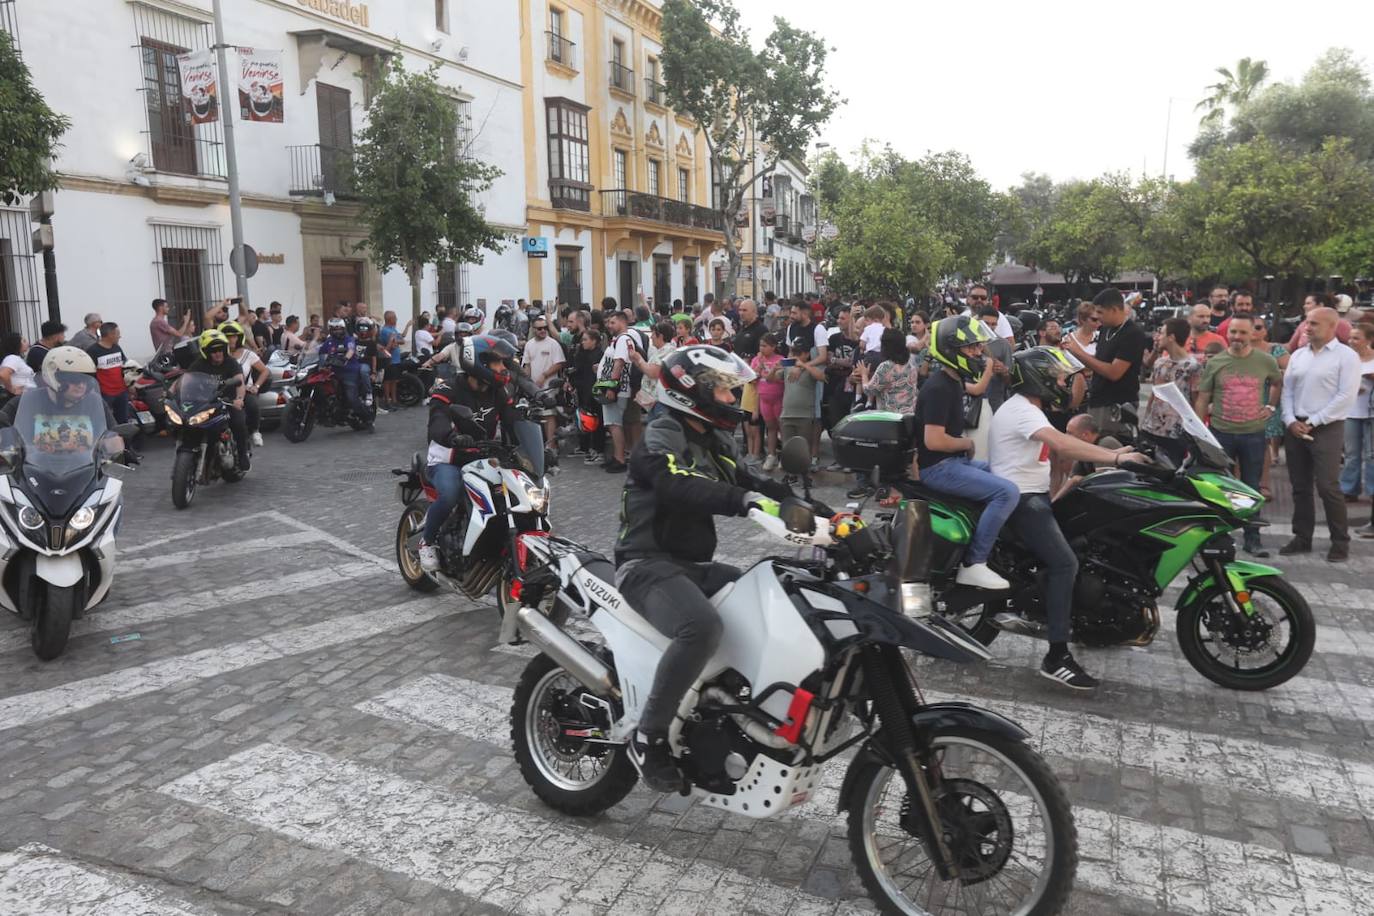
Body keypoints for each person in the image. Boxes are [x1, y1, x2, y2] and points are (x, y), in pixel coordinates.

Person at [614, 344, 794, 792]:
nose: (734, 400)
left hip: (693, 565)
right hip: (646, 564)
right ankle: (649, 736)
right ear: (694, 393)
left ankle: (733, 711)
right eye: (726, 392)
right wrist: (742, 501)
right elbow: (675, 482)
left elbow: (751, 482)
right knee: (701, 627)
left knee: (769, 594)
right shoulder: (661, 433)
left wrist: (819, 513)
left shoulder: (712, 438)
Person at [989, 346, 1148, 690]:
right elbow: (1062, 445)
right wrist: (1116, 459)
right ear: (1040, 379)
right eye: (1060, 378)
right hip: (1021, 500)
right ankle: (1056, 656)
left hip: (1032, 494)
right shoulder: (1023, 411)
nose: (1066, 383)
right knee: (1065, 564)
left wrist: (1116, 452)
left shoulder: (1030, 409)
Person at [915, 316, 1016, 590]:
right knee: (1006, 492)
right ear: (951, 350)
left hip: (952, 462)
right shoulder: (937, 388)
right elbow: (934, 440)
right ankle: (975, 563)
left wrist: (987, 371)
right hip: (938, 467)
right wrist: (966, 444)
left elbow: (978, 389)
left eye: (978, 347)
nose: (978, 353)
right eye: (971, 348)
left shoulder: (953, 381)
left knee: (1006, 474)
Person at [416, 338, 520, 571]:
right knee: (451, 493)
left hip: (482, 459)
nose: (503, 368)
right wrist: (452, 437)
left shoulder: (498, 391)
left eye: (504, 363)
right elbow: (438, 422)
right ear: (479, 363)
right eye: (497, 363)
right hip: (448, 459)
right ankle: (427, 541)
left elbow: (513, 423)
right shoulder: (448, 389)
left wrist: (539, 446)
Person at [1194, 316, 1282, 556]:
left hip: (1253, 434)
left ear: (1252, 334)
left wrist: (1271, 407)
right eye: (1233, 332)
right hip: (1221, 433)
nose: (1237, 337)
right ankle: (1218, 538)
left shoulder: (1265, 361)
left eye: (1242, 333)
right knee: (1219, 487)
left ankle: (1252, 538)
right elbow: (1203, 397)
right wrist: (1199, 431)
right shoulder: (1216, 362)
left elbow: (1277, 382)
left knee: (1251, 487)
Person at [1280, 307, 1362, 561]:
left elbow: (1345, 396)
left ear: (1331, 327)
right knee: (1300, 486)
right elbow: (1287, 390)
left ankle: (1340, 542)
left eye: (1314, 323)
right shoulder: (1298, 355)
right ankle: (1302, 537)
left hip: (1326, 426)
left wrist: (1313, 421)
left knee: (1328, 487)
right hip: (1296, 425)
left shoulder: (1346, 356)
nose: (1307, 326)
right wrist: (1290, 419)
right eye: (1307, 322)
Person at [1063, 287, 1149, 440]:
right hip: (1097, 400)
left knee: (1109, 445)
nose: (1097, 317)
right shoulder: (1105, 330)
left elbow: (1114, 372)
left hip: (1116, 404)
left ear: (1115, 310)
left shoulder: (1132, 333)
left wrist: (1079, 352)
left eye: (1100, 312)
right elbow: (1099, 361)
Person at [1139, 318, 1201, 467]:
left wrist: (1195, 430)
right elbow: (1154, 394)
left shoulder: (1192, 367)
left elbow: (1196, 400)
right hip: (1152, 428)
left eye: (1162, 333)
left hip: (1176, 431)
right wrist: (1145, 419)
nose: (1158, 337)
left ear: (1171, 337)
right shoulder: (1160, 363)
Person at [187, 330, 249, 471]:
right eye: (213, 350)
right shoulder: (199, 364)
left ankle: (242, 453)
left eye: (220, 349)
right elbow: (185, 380)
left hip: (229, 402)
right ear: (206, 352)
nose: (218, 353)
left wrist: (239, 399)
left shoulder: (231, 363)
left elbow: (240, 381)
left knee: (238, 422)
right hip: (207, 402)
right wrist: (171, 393)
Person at [87, 322, 142, 452]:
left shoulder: (117, 348)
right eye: (117, 333)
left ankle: (127, 451)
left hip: (121, 392)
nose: (120, 336)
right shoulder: (93, 351)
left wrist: (131, 384)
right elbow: (90, 374)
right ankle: (105, 452)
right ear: (110, 335)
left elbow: (125, 366)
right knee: (103, 423)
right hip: (105, 394)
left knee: (123, 423)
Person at [595, 309, 638, 473]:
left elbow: (619, 363)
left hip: (616, 389)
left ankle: (619, 459)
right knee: (613, 423)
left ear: (622, 322)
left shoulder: (623, 339)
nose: (609, 325)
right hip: (615, 387)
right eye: (608, 322)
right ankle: (616, 456)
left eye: (613, 322)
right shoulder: (620, 340)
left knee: (614, 424)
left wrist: (611, 386)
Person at [1339, 323, 1374, 505]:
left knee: (1371, 453)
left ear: (1369, 340)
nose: (1351, 341)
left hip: (1371, 412)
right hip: (1351, 411)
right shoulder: (1346, 359)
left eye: (1357, 338)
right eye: (1350, 337)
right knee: (1352, 453)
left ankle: (1371, 490)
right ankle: (1349, 489)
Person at [317, 317, 373, 432]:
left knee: (351, 398)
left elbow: (351, 350)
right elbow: (320, 351)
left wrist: (345, 358)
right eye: (333, 329)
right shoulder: (329, 341)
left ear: (343, 328)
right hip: (333, 372)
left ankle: (368, 419)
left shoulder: (349, 339)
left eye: (339, 328)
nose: (336, 331)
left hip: (349, 371)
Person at [221, 321, 270, 448]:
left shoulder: (248, 354)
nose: (231, 339)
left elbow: (265, 371)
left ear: (239, 337)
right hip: (223, 391)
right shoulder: (218, 355)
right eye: (227, 336)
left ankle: (255, 431)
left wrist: (256, 386)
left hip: (245, 390)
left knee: (252, 405)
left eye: (233, 336)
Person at [779, 340, 824, 469]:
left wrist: (804, 366)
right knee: (787, 448)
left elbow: (822, 377)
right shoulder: (788, 368)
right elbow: (772, 379)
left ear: (805, 354)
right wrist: (775, 368)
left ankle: (804, 474)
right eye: (793, 352)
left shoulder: (810, 369)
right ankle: (790, 475)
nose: (795, 356)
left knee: (804, 448)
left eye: (798, 353)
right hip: (787, 414)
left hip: (804, 415)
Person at [522, 315, 566, 445]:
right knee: (534, 415)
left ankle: (551, 446)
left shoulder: (553, 343)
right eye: (539, 328)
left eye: (545, 328)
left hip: (549, 386)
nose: (543, 330)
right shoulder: (529, 344)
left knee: (549, 415)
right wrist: (526, 382)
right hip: (534, 388)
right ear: (533, 329)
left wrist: (544, 375)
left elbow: (559, 363)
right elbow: (527, 365)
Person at [750, 333, 785, 469]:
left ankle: (784, 455)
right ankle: (772, 455)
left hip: (778, 398)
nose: (762, 348)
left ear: (773, 347)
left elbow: (780, 379)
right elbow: (752, 379)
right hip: (764, 399)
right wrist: (759, 367)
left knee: (782, 428)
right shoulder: (756, 360)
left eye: (765, 346)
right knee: (771, 428)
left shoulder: (780, 360)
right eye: (760, 345)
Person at [572, 329, 606, 464]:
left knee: (597, 422)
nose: (583, 342)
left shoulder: (599, 355)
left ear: (594, 341)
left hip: (594, 392)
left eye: (586, 339)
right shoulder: (582, 354)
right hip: (583, 391)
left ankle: (598, 449)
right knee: (585, 420)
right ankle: (586, 447)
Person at [1287, 293, 1353, 352]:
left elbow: (1355, 344)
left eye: (1308, 303)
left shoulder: (1339, 323)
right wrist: (1277, 347)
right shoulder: (1303, 325)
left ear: (1320, 305)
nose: (1304, 306)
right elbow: (1291, 346)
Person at [353, 317, 381, 412]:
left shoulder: (371, 343)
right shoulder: (353, 341)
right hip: (354, 364)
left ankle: (369, 393)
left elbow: (374, 358)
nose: (363, 332)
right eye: (361, 329)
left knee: (363, 369)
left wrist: (373, 372)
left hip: (365, 365)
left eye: (365, 329)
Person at [0, 333, 35, 397]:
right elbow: (3, 374)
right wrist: (12, 390)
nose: (28, 343)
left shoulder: (15, 358)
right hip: (18, 398)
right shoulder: (12, 358)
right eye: (24, 341)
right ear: (15, 344)